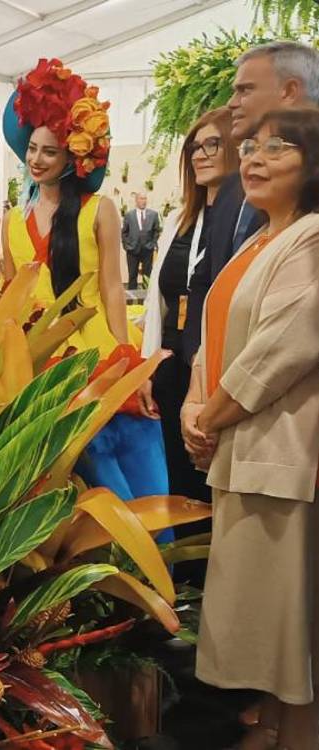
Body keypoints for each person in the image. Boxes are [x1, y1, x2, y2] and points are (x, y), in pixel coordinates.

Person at [186, 107, 319, 750]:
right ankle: (270, 729)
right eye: (252, 147)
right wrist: (195, 403)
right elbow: (217, 336)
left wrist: (209, 416)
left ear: (312, 164)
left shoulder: (312, 237)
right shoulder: (258, 238)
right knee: (262, 632)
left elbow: (281, 349)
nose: (255, 158)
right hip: (239, 445)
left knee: (288, 635)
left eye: (278, 147)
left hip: (279, 455)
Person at [1, 59, 163, 507]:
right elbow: (9, 297)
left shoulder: (100, 210)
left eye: (49, 152)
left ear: (71, 156)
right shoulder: (12, 220)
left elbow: (113, 287)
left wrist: (124, 355)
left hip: (93, 351)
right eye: (32, 148)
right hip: (36, 359)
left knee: (115, 466)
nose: (36, 159)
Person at [183, 41, 319, 366]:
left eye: (244, 91)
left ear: (289, 90)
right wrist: (199, 368)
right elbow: (205, 281)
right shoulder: (233, 188)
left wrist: (219, 405)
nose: (232, 103)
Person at [142, 108, 238, 504]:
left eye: (212, 144)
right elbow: (156, 301)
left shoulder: (245, 221)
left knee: (213, 483)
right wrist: (147, 367)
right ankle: (183, 566)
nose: (200, 154)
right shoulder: (181, 220)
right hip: (172, 366)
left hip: (217, 369)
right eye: (194, 147)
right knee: (179, 488)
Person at [122, 193, 160, 290]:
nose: (144, 201)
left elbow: (156, 231)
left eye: (145, 198)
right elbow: (124, 232)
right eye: (141, 198)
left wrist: (152, 244)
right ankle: (131, 302)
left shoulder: (153, 215)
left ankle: (147, 300)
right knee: (132, 276)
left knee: (147, 276)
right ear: (136, 200)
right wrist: (126, 246)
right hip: (132, 250)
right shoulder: (129, 215)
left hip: (147, 250)